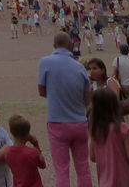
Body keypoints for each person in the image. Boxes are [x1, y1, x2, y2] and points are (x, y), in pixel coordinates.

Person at [37, 32, 92, 187]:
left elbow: (41, 91)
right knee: (83, 168)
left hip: (57, 123)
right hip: (80, 123)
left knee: (61, 169)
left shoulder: (45, 62)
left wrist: (56, 94)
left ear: (54, 45)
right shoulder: (80, 67)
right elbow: (88, 99)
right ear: (70, 46)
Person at [87, 88, 129, 187]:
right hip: (125, 179)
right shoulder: (123, 128)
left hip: (105, 181)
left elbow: (93, 157)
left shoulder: (94, 130)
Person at [5, 114, 46, 187]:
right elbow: (43, 165)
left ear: (11, 132)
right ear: (28, 133)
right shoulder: (33, 152)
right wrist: (36, 144)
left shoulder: (7, 152)